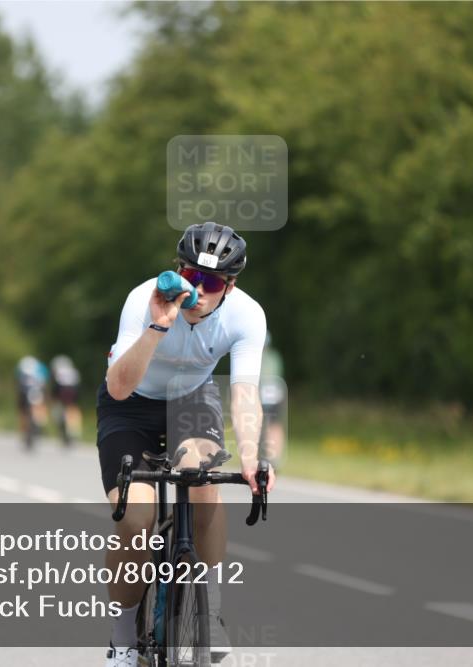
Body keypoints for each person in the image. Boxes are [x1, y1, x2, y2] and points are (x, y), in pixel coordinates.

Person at [98, 221, 275, 667]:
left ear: (229, 287)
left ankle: (210, 611)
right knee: (136, 518)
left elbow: (244, 392)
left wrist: (252, 457)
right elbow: (118, 389)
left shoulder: (247, 315)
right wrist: (158, 328)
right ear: (178, 271)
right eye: (192, 276)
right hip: (131, 405)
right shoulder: (144, 300)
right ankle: (122, 639)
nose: (199, 289)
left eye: (211, 282)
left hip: (192, 400)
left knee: (202, 478)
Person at [258, 331, 288, 467]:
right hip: (276, 395)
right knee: (274, 426)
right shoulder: (274, 356)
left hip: (264, 396)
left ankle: (268, 456)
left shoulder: (256, 358)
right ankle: (273, 457)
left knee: (263, 427)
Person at [15, 355, 50, 445]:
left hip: (25, 392)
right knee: (39, 406)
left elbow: (18, 383)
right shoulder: (40, 369)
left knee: (23, 412)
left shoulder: (22, 368)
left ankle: (24, 430)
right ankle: (39, 423)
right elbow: (45, 383)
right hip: (37, 392)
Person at [51, 354, 82, 445]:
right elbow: (78, 386)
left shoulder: (58, 372)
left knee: (59, 411)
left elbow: (56, 387)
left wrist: (54, 398)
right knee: (72, 409)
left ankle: (64, 427)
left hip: (63, 392)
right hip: (73, 393)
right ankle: (74, 429)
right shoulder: (74, 371)